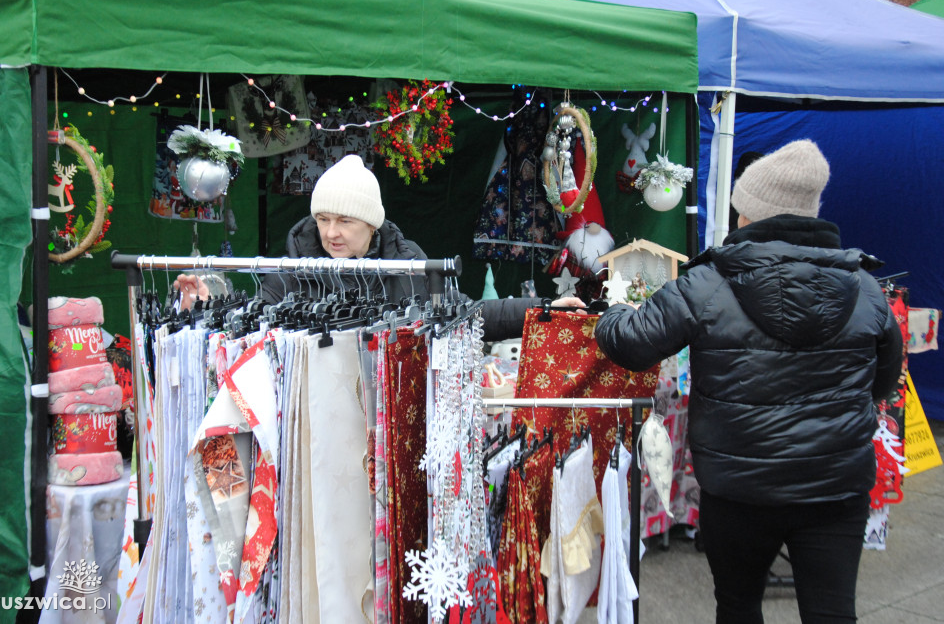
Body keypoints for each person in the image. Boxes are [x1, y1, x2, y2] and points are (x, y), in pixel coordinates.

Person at [594, 139, 903, 624]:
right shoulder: (865, 288)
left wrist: (613, 305)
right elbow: (881, 386)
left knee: (737, 607)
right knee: (833, 612)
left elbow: (630, 343)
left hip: (741, 491)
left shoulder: (709, 281)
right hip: (836, 488)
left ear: (749, 216)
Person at [261, 154, 583, 341]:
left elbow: (467, 315)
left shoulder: (408, 265)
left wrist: (544, 309)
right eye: (323, 219)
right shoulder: (290, 274)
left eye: (345, 221)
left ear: (372, 224)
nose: (331, 232)